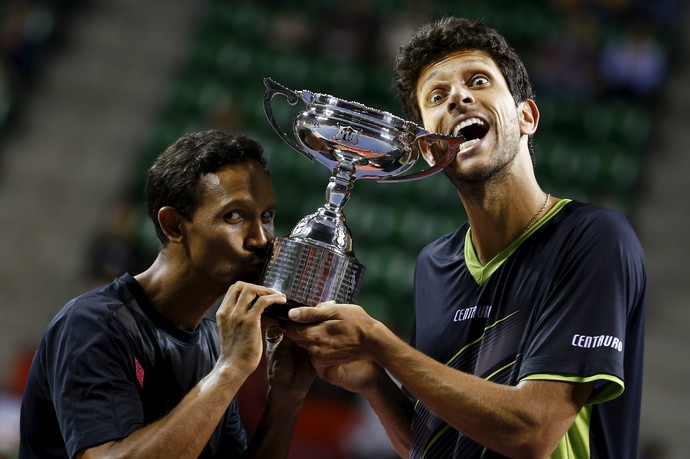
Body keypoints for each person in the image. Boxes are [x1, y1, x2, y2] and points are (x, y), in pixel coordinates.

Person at [284, 17, 646, 459]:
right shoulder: (433, 263)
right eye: (437, 96)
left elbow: (532, 433)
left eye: (478, 81)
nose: (458, 97)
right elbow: (436, 445)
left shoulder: (593, 238)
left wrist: (385, 347)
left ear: (526, 117)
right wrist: (375, 381)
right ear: (430, 149)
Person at [19, 130, 314, 458]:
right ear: (174, 225)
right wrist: (230, 370)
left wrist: (287, 399)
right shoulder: (94, 324)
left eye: (267, 217)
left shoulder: (212, 347)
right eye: (234, 216)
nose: (261, 239)